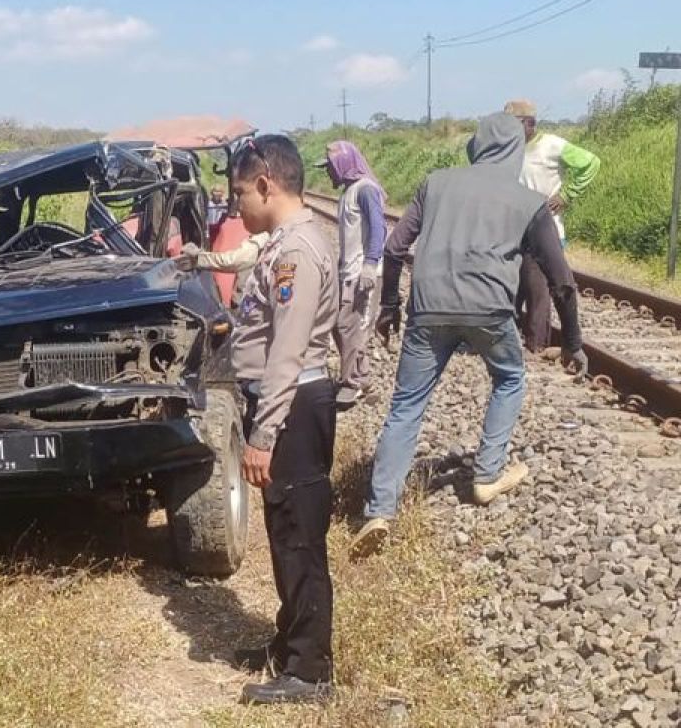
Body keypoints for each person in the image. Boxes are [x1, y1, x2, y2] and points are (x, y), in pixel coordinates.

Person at [350, 113, 588, 560]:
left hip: (428, 309)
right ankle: (487, 475)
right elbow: (561, 281)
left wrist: (389, 306)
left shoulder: (436, 183)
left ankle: (380, 510)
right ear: (516, 151)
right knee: (510, 377)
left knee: (406, 405)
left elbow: (396, 247)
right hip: (490, 313)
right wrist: (572, 342)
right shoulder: (528, 200)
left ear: (475, 147)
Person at [227, 136, 338, 705]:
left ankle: (311, 671)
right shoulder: (285, 244)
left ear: (266, 183)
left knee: (299, 537)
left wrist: (263, 434)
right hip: (286, 402)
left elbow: (287, 353)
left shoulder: (295, 252)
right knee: (284, 531)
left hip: (293, 405)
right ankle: (290, 639)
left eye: (241, 192)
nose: (238, 205)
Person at [504, 99, 601, 353]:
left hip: (546, 229)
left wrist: (566, 195)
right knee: (513, 285)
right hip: (513, 228)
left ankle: (536, 346)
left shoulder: (552, 145)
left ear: (530, 124)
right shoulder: (506, 149)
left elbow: (590, 163)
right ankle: (511, 341)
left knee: (537, 288)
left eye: (513, 124)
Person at [317, 140, 388, 409]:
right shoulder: (349, 192)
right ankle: (361, 376)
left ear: (343, 164)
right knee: (341, 324)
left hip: (363, 273)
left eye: (331, 167)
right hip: (348, 271)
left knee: (352, 326)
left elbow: (379, 228)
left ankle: (352, 382)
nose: (328, 173)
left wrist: (371, 264)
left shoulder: (366, 190)